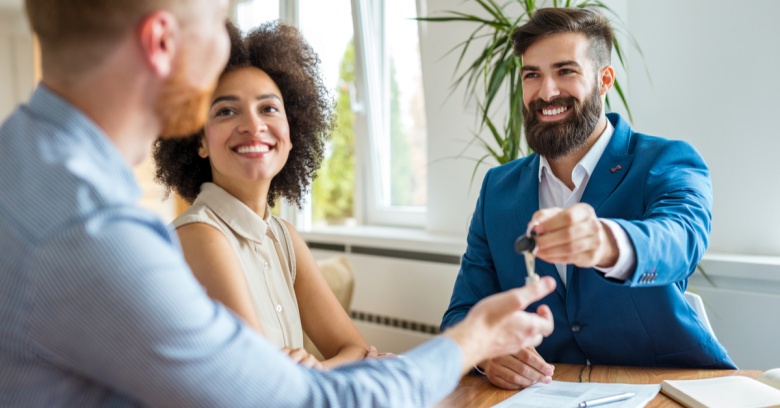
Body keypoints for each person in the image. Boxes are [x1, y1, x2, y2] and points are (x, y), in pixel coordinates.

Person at [0, 0, 556, 406]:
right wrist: (469, 340)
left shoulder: (28, 170)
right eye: (218, 22)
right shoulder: (93, 230)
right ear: (162, 42)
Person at [441, 6, 736, 391]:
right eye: (533, 75)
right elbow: (461, 315)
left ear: (604, 79)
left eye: (566, 71)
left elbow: (681, 240)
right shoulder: (497, 188)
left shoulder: (666, 160)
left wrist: (606, 242)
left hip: (670, 387)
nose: (546, 92)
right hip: (545, 394)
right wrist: (485, 354)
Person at [153, 21, 368, 369]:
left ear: (291, 131)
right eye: (226, 111)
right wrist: (322, 370)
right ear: (200, 140)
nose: (254, 126)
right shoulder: (198, 237)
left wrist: (314, 370)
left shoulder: (284, 237)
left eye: (268, 108)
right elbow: (263, 380)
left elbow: (357, 348)